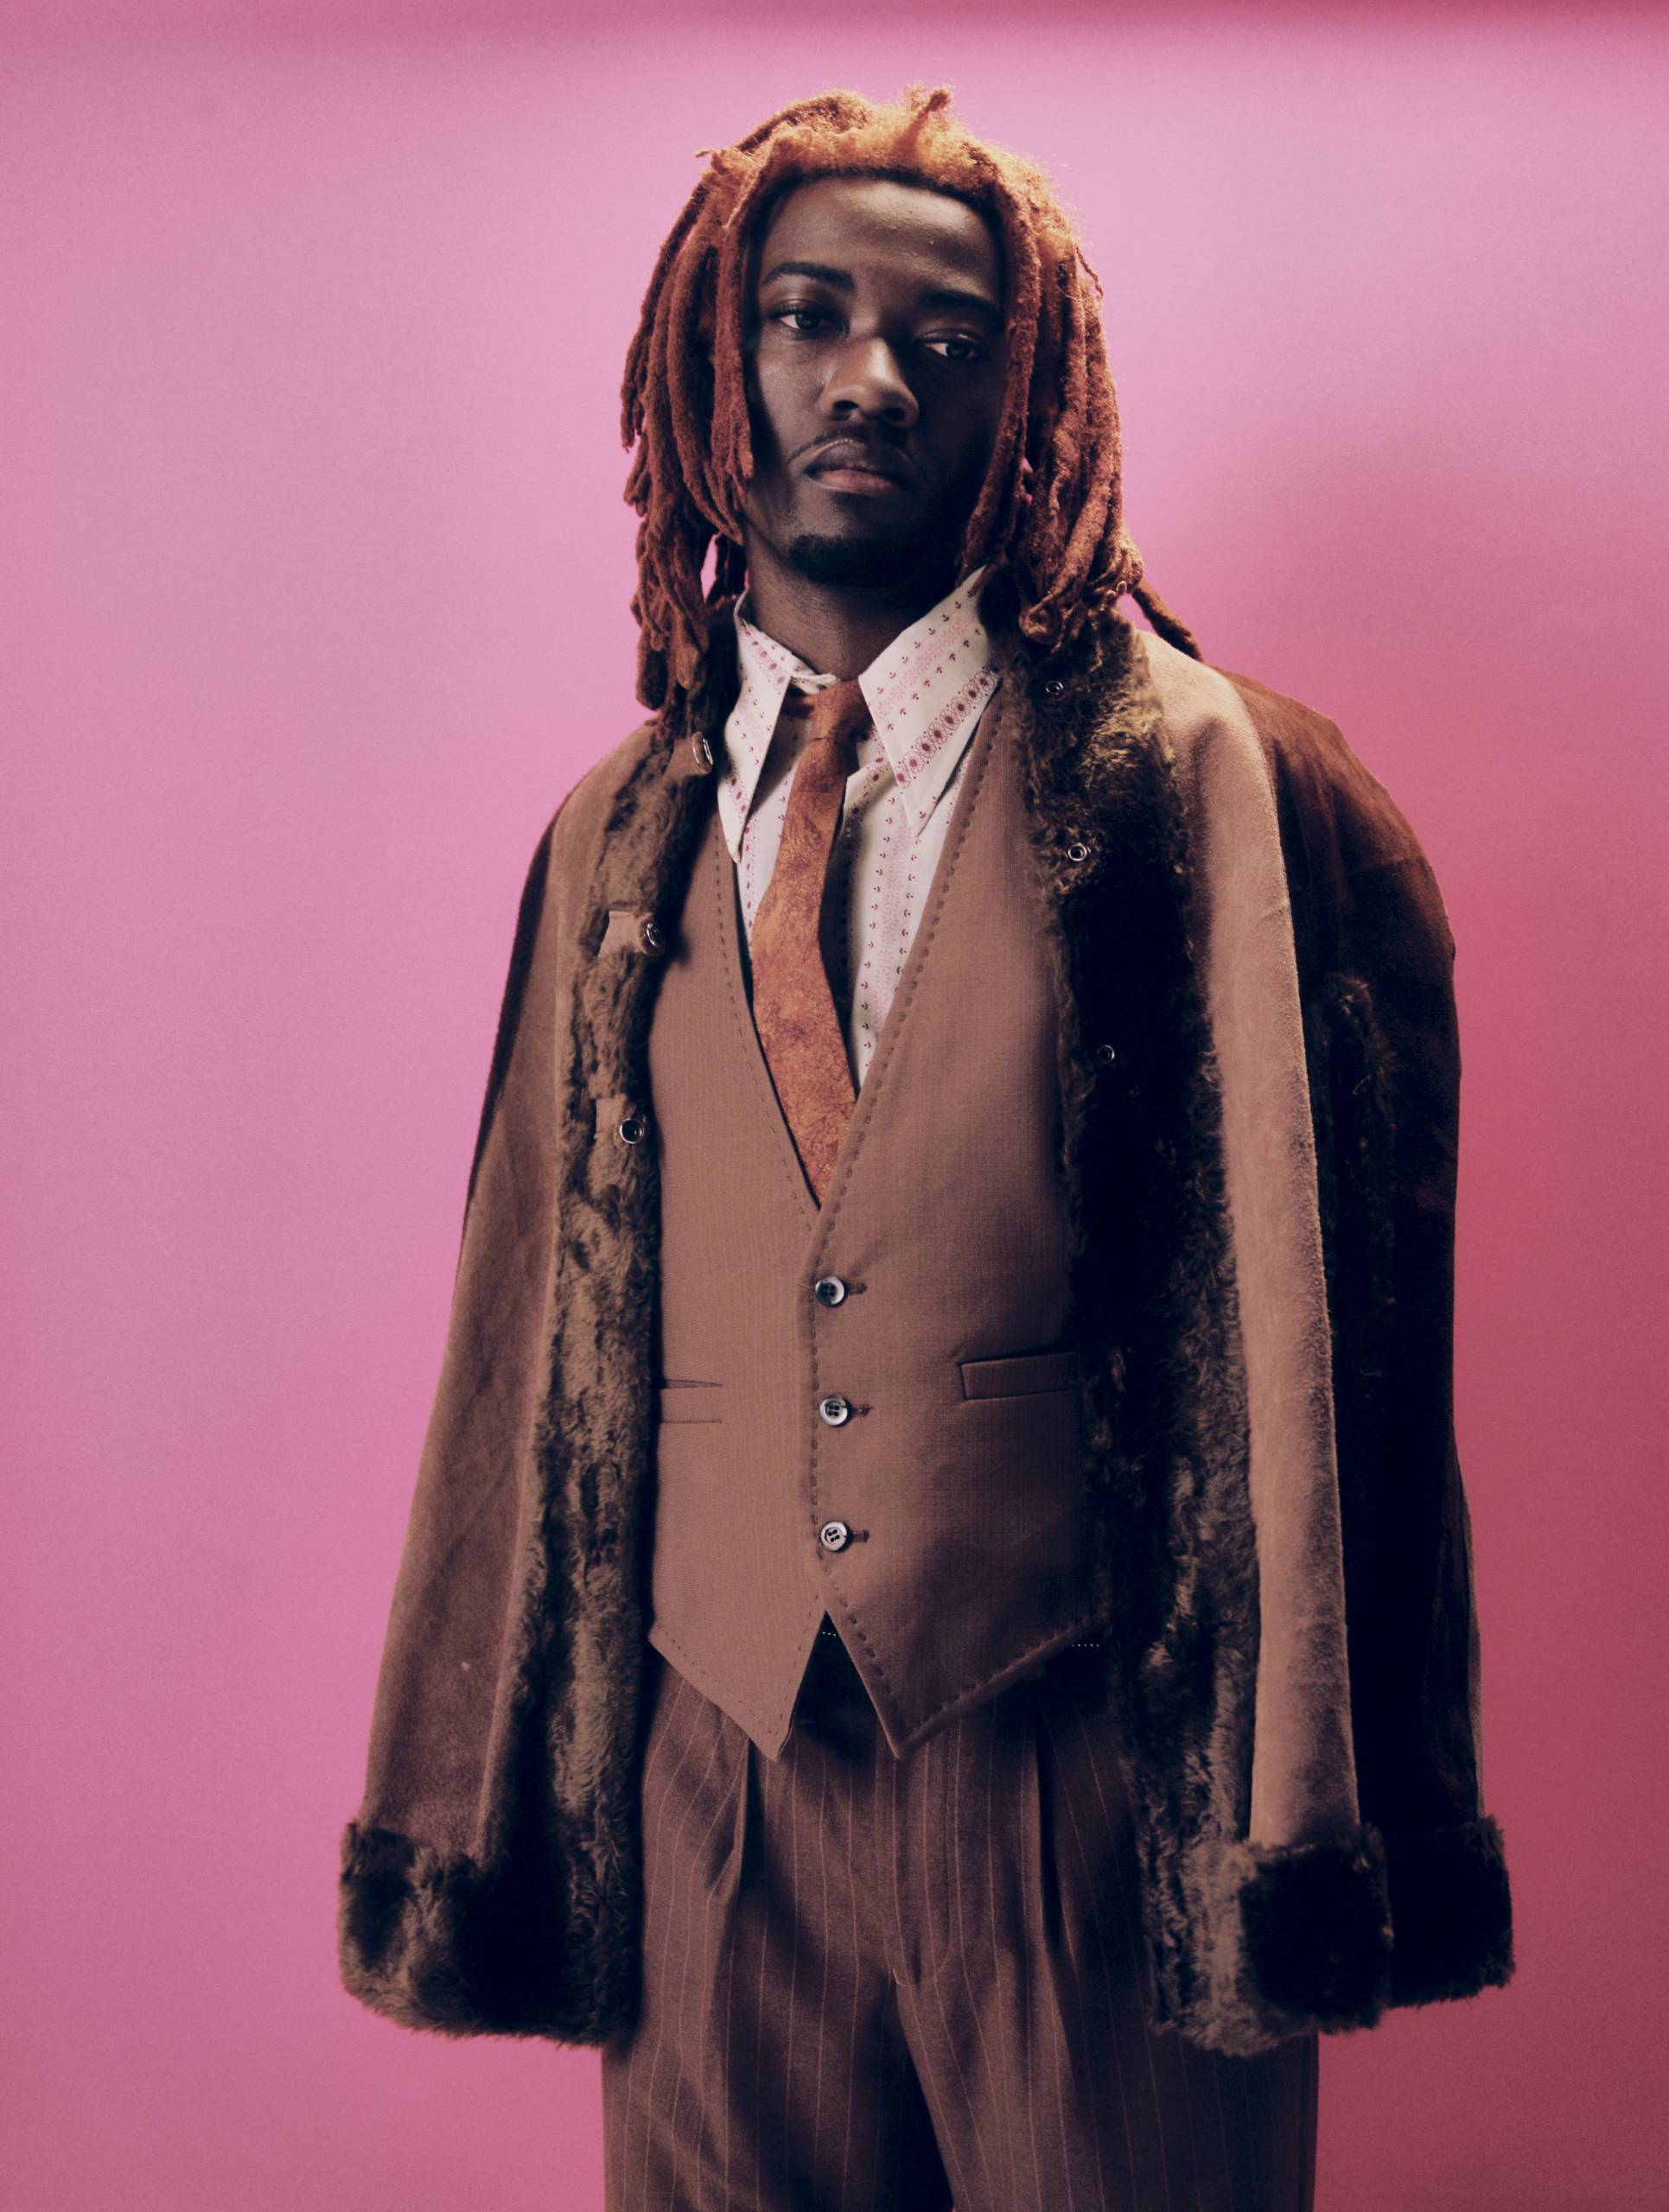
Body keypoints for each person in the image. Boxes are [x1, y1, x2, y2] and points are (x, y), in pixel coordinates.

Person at [336, 83, 1515, 2212]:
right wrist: (497, 1787)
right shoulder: (613, 830)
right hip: (706, 1765)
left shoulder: (1188, 774)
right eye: (804, 317)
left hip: (1079, 1757)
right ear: (717, 363)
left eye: (944, 337)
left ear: (1029, 391)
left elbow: (1304, 1320)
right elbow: (521, 1335)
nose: (867, 376)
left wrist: (1285, 1801)